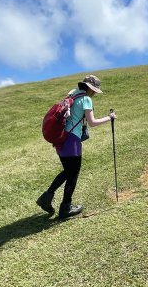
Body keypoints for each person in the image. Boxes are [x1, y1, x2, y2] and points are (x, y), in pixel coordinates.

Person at [36, 75, 117, 219]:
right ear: (91, 89)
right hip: (72, 140)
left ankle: (46, 198)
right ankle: (65, 208)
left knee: (68, 172)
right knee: (73, 174)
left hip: (61, 138)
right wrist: (109, 117)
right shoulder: (86, 99)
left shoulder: (72, 93)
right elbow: (92, 122)